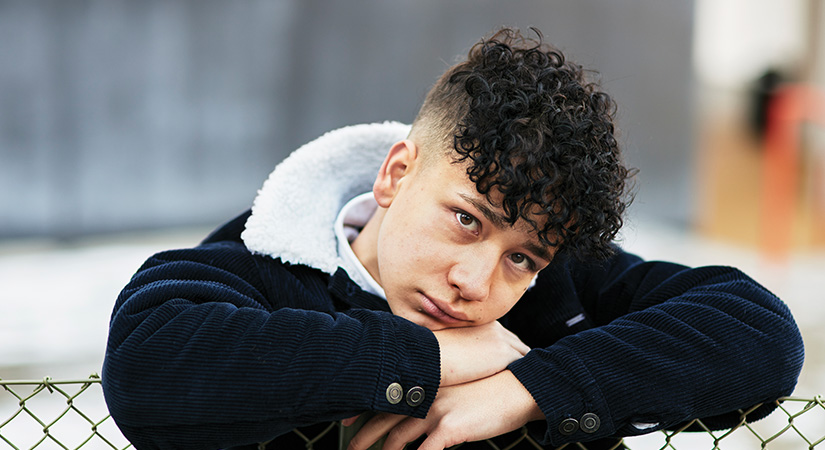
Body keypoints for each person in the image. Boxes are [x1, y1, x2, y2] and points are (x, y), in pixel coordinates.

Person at [101, 27, 804, 450]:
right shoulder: (264, 259)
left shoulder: (556, 285)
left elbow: (757, 331)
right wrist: (430, 359)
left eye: (520, 257)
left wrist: (532, 386)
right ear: (396, 173)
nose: (475, 282)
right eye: (467, 219)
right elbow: (146, 362)